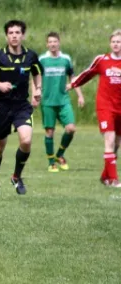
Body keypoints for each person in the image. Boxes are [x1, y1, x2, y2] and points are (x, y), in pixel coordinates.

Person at [0, 20, 43, 195]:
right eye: (11, 33)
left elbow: (37, 74)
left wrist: (37, 90)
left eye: (17, 32)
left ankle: (16, 176)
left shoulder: (31, 56)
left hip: (22, 106)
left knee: (26, 140)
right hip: (2, 107)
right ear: (6, 35)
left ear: (23, 35)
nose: (14, 36)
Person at [67, 29, 121, 187]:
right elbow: (87, 74)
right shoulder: (102, 60)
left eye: (119, 42)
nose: (116, 44)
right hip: (105, 106)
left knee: (117, 143)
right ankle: (113, 180)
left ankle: (105, 176)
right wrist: (72, 84)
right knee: (109, 140)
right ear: (110, 44)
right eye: (114, 42)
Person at [35, 32, 84, 172]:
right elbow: (36, 77)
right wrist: (36, 94)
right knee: (49, 132)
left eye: (55, 41)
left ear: (59, 43)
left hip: (63, 101)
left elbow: (73, 79)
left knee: (71, 129)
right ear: (47, 44)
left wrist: (80, 95)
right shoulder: (42, 59)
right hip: (48, 101)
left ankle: (60, 154)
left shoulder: (66, 59)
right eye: (50, 42)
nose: (52, 44)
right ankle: (51, 162)